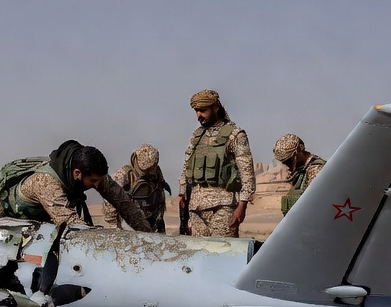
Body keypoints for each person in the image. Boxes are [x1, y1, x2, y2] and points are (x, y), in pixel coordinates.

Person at [0, 140, 154, 231]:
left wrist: (149, 236)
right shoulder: (46, 182)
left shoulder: (94, 174)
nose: (97, 185)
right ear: (77, 173)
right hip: (9, 216)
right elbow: (69, 222)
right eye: (93, 181)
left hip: (44, 216)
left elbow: (126, 205)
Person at [177, 89, 256, 237]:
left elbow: (247, 173)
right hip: (196, 207)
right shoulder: (196, 135)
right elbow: (186, 165)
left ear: (215, 107)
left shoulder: (235, 135)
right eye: (196, 111)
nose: (198, 115)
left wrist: (242, 205)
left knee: (222, 249)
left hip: (223, 207)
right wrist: (182, 193)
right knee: (199, 250)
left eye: (202, 110)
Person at [102, 144, 169, 232]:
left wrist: (160, 218)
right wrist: (113, 225)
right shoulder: (123, 174)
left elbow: (160, 192)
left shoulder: (156, 171)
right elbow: (109, 198)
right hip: (130, 223)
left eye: (151, 168)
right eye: (146, 169)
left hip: (152, 220)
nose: (149, 171)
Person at [273, 133, 326, 216]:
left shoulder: (316, 169)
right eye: (284, 162)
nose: (287, 164)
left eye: (289, 161)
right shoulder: (301, 172)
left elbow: (316, 203)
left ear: (299, 151)